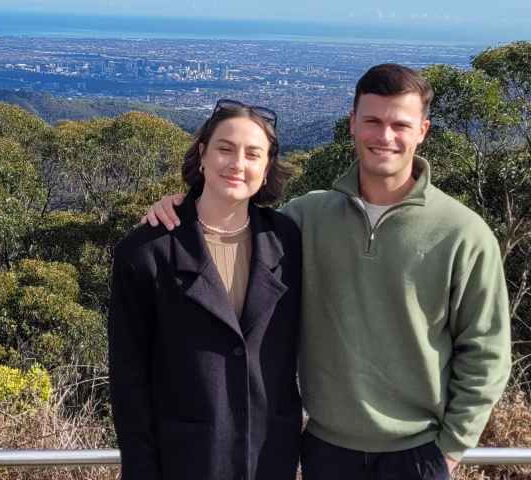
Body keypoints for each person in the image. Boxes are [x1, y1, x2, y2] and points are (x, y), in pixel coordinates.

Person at [142, 64, 512, 480]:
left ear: (422, 130)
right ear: (352, 123)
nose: (385, 136)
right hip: (324, 451)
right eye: (372, 121)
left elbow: (487, 352)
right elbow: (232, 218)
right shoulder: (306, 217)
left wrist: (449, 450)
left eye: (400, 125)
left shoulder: (463, 233)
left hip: (417, 454)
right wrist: (180, 205)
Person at [108, 99, 303, 480]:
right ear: (202, 155)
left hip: (269, 457)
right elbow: (129, 382)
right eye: (225, 149)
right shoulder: (147, 251)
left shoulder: (289, 241)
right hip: (183, 459)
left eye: (253, 154)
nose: (237, 164)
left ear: (267, 169)